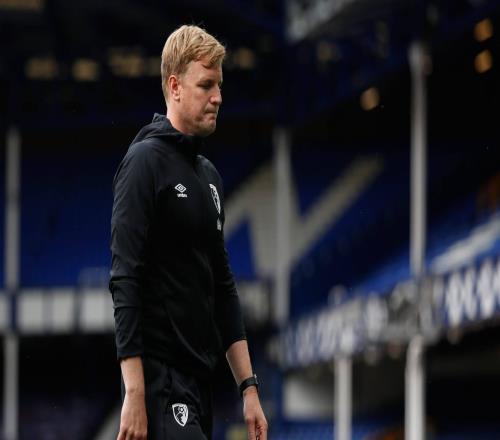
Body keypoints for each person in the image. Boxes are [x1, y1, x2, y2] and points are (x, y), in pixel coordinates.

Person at [109, 25, 268, 440]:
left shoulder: (209, 177)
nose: (218, 97)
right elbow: (125, 278)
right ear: (175, 87)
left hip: (200, 384)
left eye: (220, 85)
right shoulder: (144, 163)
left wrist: (249, 388)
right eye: (206, 85)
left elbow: (223, 287)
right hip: (160, 381)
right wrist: (135, 391)